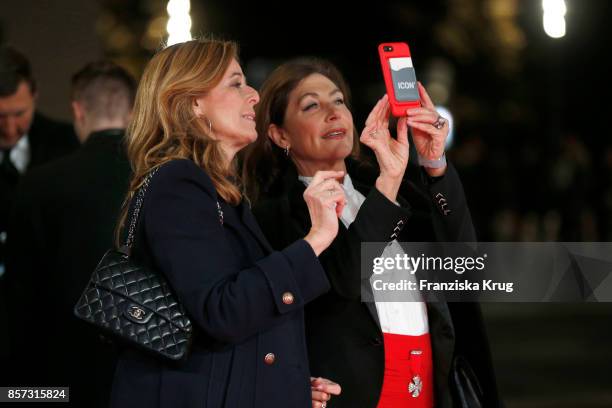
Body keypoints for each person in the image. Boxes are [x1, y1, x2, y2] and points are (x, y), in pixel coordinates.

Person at [244, 58, 501, 408]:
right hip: (352, 391)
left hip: (431, 382)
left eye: (338, 101)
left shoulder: (395, 192)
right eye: (311, 106)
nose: (333, 113)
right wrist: (387, 186)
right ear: (280, 134)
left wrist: (435, 163)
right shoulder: (273, 217)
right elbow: (345, 280)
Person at [109, 39, 342, 408]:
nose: (254, 95)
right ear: (192, 102)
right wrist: (316, 239)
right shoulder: (178, 184)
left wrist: (286, 383)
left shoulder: (221, 194)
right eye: (235, 83)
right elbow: (224, 311)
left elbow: (227, 323)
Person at [5, 61, 136, 405]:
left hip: (60, 371)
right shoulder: (163, 178)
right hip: (145, 363)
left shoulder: (39, 183)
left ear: (78, 110)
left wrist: (18, 392)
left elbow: (20, 294)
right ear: (134, 111)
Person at [0, 45, 78, 384]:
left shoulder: (67, 145)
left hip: (49, 320)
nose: (9, 128)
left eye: (19, 113)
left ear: (35, 95)